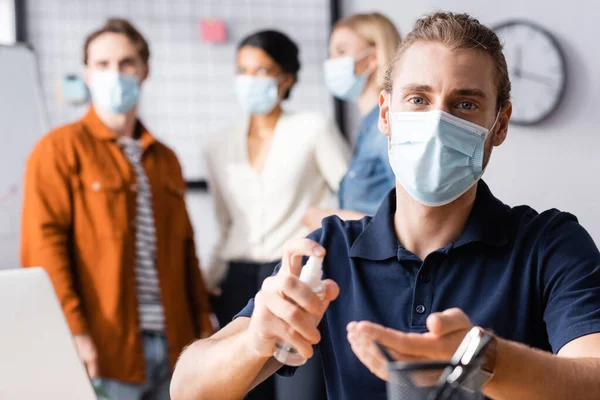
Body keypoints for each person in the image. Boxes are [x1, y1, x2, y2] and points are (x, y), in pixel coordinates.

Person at [170, 12, 600, 400]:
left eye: (464, 104)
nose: (437, 122)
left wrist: (483, 363)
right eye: (418, 99)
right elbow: (188, 388)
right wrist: (254, 342)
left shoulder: (548, 245)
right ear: (385, 114)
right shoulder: (329, 251)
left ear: (499, 124)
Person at [21, 18, 213, 400]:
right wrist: (74, 333)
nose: (115, 73)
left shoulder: (166, 159)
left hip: (178, 347)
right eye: (102, 64)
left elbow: (185, 250)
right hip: (105, 348)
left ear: (144, 70)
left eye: (126, 63)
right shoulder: (58, 150)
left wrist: (204, 332)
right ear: (87, 73)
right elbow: (44, 249)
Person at [202, 30, 349, 400]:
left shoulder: (313, 129)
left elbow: (350, 198)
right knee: (243, 391)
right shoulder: (217, 145)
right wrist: (206, 281)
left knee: (299, 391)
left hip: (293, 276)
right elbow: (225, 224)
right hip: (236, 282)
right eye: (243, 70)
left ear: (287, 78)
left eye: (262, 71)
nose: (250, 81)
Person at [303, 12, 401, 230]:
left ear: (373, 57)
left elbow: (411, 217)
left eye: (342, 51)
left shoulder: (388, 125)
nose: (332, 62)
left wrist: (331, 218)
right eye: (331, 53)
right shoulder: (367, 126)